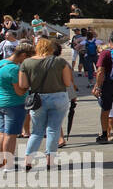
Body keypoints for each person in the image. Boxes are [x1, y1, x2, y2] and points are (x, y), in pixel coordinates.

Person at [17, 37, 74, 171]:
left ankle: (28, 161)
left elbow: (23, 85)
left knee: (36, 131)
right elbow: (67, 83)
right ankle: (50, 161)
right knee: (53, 129)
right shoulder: (60, 61)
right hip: (58, 97)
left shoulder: (27, 62)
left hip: (38, 100)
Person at [0, 41, 36, 167]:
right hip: (14, 104)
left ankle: (1, 161)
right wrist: (27, 87)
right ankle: (8, 163)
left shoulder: (1, 63)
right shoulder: (14, 69)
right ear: (23, 55)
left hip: (2, 102)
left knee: (2, 133)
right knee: (11, 135)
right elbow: (19, 91)